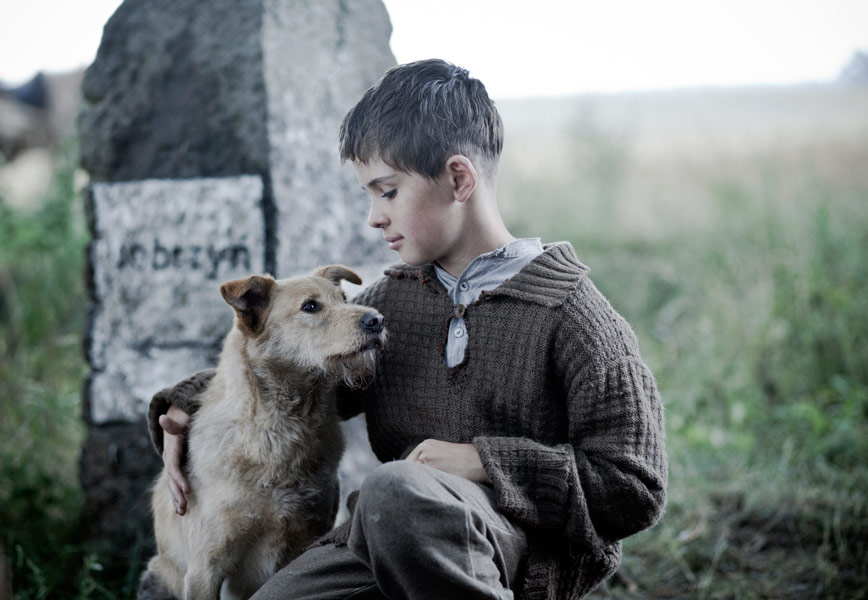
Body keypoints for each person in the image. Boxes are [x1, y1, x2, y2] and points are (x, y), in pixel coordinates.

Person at [147, 58, 667, 600]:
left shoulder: (573, 316)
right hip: (383, 541)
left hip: (513, 552)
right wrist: (187, 407)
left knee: (394, 489)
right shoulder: (388, 305)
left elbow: (635, 488)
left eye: (387, 191)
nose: (374, 216)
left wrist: (484, 463)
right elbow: (293, 362)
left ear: (459, 179)